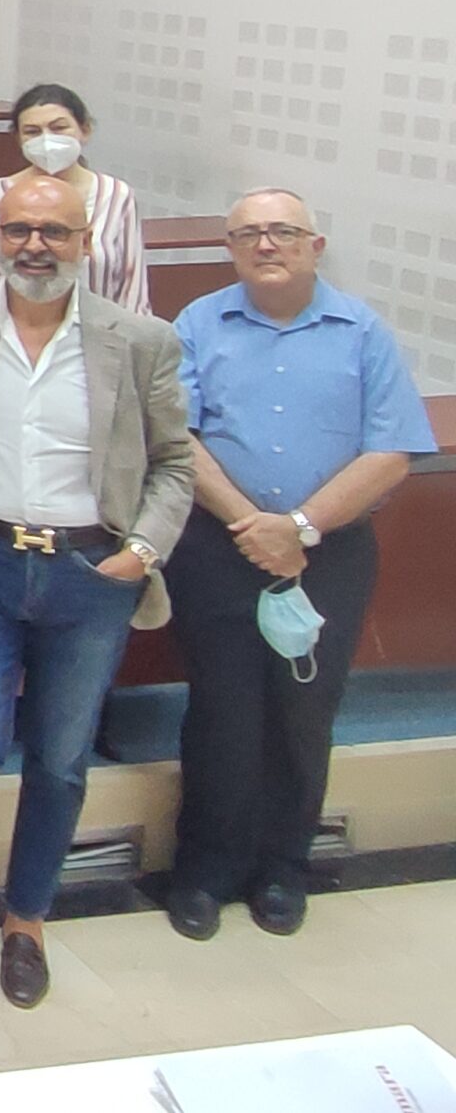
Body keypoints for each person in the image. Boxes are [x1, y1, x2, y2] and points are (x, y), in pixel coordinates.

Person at [0, 173, 194, 1009]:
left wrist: (142, 549)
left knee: (62, 759)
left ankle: (26, 917)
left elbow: (175, 462)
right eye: (21, 229)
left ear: (86, 242)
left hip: (91, 573)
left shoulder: (139, 340)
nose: (36, 245)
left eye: (56, 231)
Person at [161, 189, 434, 942]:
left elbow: (392, 449)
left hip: (330, 553)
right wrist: (252, 526)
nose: (266, 244)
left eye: (283, 231)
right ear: (230, 249)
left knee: (304, 711)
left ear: (315, 245)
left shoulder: (361, 330)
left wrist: (301, 527)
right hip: (219, 547)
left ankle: (283, 869)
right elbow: (177, 439)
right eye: (248, 233)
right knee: (221, 709)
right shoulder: (197, 325)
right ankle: (204, 870)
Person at [0, 84, 151, 312]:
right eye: (32, 132)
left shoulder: (117, 196)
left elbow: (133, 289)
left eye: (59, 128)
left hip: (102, 330)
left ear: (85, 130)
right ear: (18, 139)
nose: (46, 140)